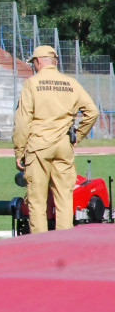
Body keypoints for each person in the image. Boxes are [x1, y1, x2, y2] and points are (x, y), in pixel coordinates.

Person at [13, 45, 98, 233]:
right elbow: (92, 112)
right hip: (63, 146)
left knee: (37, 200)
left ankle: (41, 246)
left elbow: (22, 121)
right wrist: (78, 136)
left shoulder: (32, 84)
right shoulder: (71, 83)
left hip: (38, 147)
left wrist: (19, 150)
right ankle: (64, 244)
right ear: (55, 62)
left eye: (34, 63)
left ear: (38, 61)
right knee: (64, 198)